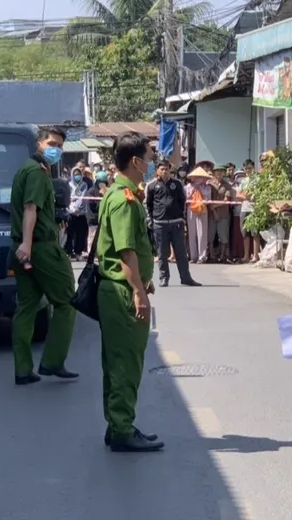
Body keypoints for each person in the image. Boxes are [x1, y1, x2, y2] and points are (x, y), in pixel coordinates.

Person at [97, 132, 163, 452]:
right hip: (123, 291)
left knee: (116, 361)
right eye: (149, 158)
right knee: (126, 362)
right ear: (136, 161)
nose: (151, 164)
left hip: (119, 288)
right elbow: (126, 252)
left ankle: (117, 424)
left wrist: (142, 280)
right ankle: (122, 428)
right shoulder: (123, 198)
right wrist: (139, 291)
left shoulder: (120, 193)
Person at [10, 127, 81, 386]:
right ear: (39, 143)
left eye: (60, 145)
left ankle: (23, 369)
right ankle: (53, 361)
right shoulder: (37, 174)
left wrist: (23, 245)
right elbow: (30, 209)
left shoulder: (27, 169)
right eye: (52, 143)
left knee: (27, 307)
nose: (56, 149)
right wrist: (28, 244)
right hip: (40, 248)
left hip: (23, 246)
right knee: (67, 302)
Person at [145, 159, 200, 287]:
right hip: (159, 223)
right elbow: (148, 205)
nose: (164, 171)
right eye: (162, 169)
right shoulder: (152, 185)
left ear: (170, 170)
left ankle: (186, 278)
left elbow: (182, 201)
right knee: (162, 254)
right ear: (157, 171)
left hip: (176, 223)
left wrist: (182, 219)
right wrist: (150, 221)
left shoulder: (177, 184)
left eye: (167, 169)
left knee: (181, 252)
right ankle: (164, 278)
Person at [66, 165, 93, 259]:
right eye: (75, 174)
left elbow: (83, 198)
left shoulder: (84, 185)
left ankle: (78, 252)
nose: (77, 176)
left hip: (81, 213)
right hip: (70, 212)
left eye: (79, 174)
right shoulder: (68, 184)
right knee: (69, 233)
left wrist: (77, 207)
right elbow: (67, 197)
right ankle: (69, 252)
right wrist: (71, 208)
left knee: (81, 233)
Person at [185, 166, 211, 264]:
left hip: (202, 209)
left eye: (200, 177)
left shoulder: (208, 187)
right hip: (191, 209)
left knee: (202, 233)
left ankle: (202, 256)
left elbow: (208, 200)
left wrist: (200, 191)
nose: (197, 179)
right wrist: (193, 191)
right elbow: (186, 198)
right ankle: (193, 256)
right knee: (192, 233)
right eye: (196, 176)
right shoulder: (188, 186)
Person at [208, 165, 234, 263]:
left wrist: (215, 206)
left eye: (221, 171)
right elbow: (207, 199)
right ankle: (211, 255)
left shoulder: (227, 185)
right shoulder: (209, 184)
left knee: (223, 237)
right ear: (213, 173)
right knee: (210, 236)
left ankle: (222, 256)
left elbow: (226, 200)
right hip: (211, 214)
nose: (219, 173)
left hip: (223, 214)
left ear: (224, 173)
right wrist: (213, 210)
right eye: (217, 171)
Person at [236, 158, 260, 263]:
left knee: (255, 233)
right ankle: (246, 256)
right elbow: (238, 195)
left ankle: (255, 255)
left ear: (253, 168)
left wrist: (251, 196)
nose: (248, 170)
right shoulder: (243, 181)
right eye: (246, 168)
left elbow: (259, 194)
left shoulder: (258, 180)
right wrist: (246, 197)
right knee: (245, 234)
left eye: (249, 168)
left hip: (255, 209)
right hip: (245, 209)